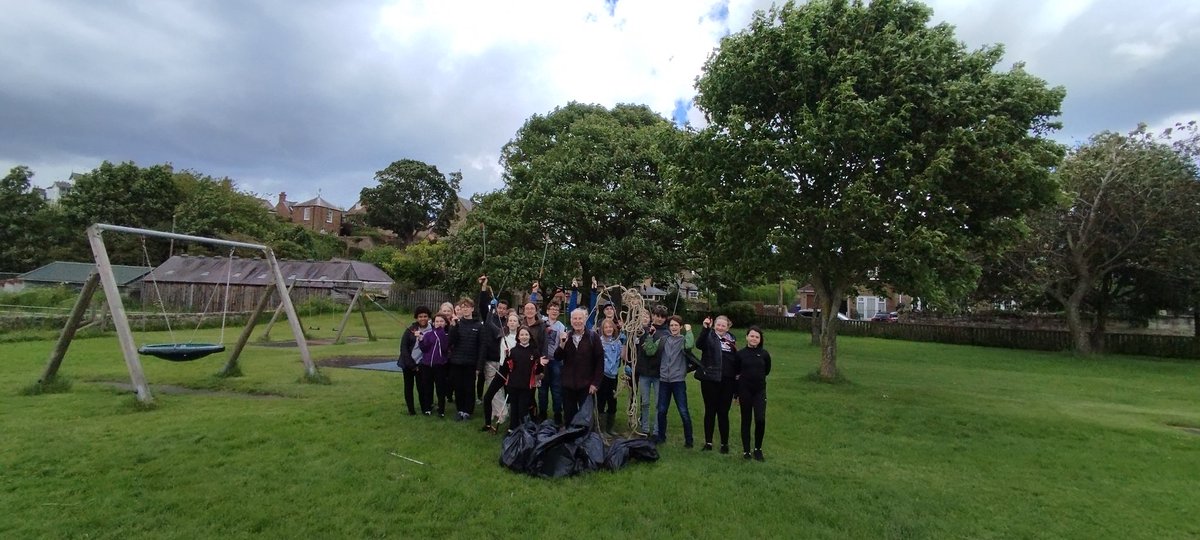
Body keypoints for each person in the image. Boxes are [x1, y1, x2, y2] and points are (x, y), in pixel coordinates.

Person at [644, 315, 695, 447]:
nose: (673, 328)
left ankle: (689, 440)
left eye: (676, 325)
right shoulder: (663, 340)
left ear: (681, 327)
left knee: (683, 411)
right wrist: (650, 336)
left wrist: (689, 331)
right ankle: (661, 437)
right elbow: (650, 351)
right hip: (664, 380)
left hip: (678, 381)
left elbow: (690, 345)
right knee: (661, 410)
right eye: (671, 325)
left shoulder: (683, 340)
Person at [554, 307, 604, 425]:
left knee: (585, 418)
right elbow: (557, 357)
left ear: (585, 319)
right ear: (571, 321)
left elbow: (600, 362)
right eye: (575, 319)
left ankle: (584, 439)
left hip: (586, 385)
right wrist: (562, 344)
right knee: (569, 416)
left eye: (580, 318)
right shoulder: (566, 336)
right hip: (568, 384)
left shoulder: (593, 337)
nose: (577, 321)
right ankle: (570, 440)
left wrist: (595, 383)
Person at [696, 315, 738, 453]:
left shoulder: (732, 340)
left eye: (723, 325)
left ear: (728, 327)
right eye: (718, 325)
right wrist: (705, 329)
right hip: (710, 380)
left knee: (723, 413)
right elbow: (699, 344)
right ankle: (708, 443)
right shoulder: (709, 336)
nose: (720, 328)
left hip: (727, 381)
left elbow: (735, 361)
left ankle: (724, 444)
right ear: (714, 326)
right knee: (710, 411)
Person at [499, 326, 548, 433]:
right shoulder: (513, 351)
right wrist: (507, 357)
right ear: (518, 337)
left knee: (523, 409)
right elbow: (506, 369)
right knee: (514, 408)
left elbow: (538, 371)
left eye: (526, 334)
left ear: (530, 336)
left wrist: (540, 364)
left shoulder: (534, 352)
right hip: (513, 384)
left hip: (526, 386)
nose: (524, 337)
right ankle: (512, 428)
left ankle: (523, 429)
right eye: (522, 334)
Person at [733, 326, 771, 461]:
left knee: (760, 419)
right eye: (752, 336)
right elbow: (736, 374)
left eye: (757, 337)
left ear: (760, 339)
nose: (754, 339)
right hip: (745, 390)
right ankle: (746, 451)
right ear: (747, 337)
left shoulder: (765, 354)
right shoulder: (740, 354)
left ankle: (758, 449)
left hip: (759, 391)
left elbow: (766, 371)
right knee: (746, 420)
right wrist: (736, 394)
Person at [480, 312, 519, 431]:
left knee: (514, 400)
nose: (512, 322)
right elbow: (488, 324)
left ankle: (513, 426)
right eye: (510, 320)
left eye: (514, 321)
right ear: (507, 323)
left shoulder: (521, 337)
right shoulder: (502, 334)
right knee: (487, 397)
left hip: (515, 371)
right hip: (503, 370)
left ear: (518, 323)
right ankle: (487, 424)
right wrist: (491, 310)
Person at [633, 305, 668, 436]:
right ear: (653, 315)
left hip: (659, 373)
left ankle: (657, 430)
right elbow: (637, 344)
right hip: (645, 372)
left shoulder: (667, 333)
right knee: (645, 402)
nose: (659, 319)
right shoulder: (644, 330)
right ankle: (645, 428)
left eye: (662, 317)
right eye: (657, 316)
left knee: (659, 403)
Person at [447, 297, 484, 421]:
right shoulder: (457, 324)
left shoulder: (478, 325)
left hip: (471, 362)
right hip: (457, 361)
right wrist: (453, 327)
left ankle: (468, 411)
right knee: (458, 387)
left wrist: (479, 366)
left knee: (469, 388)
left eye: (467, 307)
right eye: (463, 307)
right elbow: (451, 342)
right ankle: (460, 410)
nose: (465, 309)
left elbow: (481, 347)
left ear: (472, 309)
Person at [477, 275, 509, 405]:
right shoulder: (489, 318)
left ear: (507, 311)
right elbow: (482, 306)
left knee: (503, 385)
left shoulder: (508, 322)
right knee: (491, 386)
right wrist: (484, 287)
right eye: (499, 308)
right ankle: (495, 409)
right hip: (490, 358)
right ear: (496, 307)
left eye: (503, 309)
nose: (501, 310)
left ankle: (505, 405)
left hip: (502, 359)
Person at [397, 306, 431, 416]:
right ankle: (411, 410)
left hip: (422, 364)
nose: (423, 318)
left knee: (422, 387)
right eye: (420, 316)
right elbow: (404, 348)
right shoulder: (410, 330)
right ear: (416, 318)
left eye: (425, 316)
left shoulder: (432, 330)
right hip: (408, 364)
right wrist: (411, 365)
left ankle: (425, 408)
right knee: (408, 387)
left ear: (428, 317)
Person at [416, 313, 451, 417]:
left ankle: (441, 410)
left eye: (441, 321)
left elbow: (444, 347)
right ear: (433, 323)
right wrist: (421, 340)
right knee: (427, 387)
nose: (439, 323)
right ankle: (427, 408)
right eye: (437, 321)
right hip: (426, 365)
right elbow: (424, 349)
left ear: (445, 323)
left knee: (440, 388)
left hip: (440, 366)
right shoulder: (428, 334)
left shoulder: (446, 335)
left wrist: (439, 332)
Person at [538, 302, 566, 424]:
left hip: (555, 361)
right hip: (543, 359)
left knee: (556, 388)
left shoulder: (561, 326)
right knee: (542, 389)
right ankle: (542, 412)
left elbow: (563, 344)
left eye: (556, 309)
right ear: (547, 311)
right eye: (552, 309)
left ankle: (557, 413)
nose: (554, 311)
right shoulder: (541, 321)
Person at [597, 318, 625, 435]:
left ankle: (610, 428)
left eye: (610, 327)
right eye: (606, 327)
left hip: (613, 375)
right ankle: (601, 428)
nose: (608, 329)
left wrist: (624, 343)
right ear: (602, 330)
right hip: (603, 375)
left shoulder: (617, 342)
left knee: (612, 401)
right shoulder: (599, 342)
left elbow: (623, 357)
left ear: (614, 328)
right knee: (601, 401)